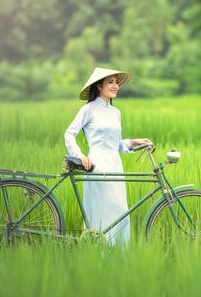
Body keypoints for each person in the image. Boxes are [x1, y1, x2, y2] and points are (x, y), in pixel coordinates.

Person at [64, 67, 152, 245]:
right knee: (105, 213)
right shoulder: (88, 109)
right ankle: (99, 254)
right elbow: (69, 134)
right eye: (110, 82)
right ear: (99, 86)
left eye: (116, 82)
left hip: (115, 166)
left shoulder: (115, 112)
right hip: (97, 166)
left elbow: (117, 144)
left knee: (121, 213)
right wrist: (79, 155)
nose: (115, 86)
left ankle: (118, 260)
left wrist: (135, 142)